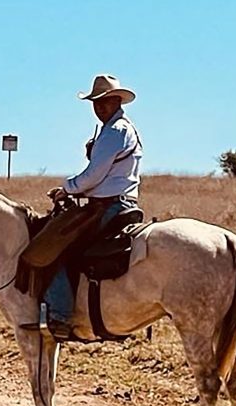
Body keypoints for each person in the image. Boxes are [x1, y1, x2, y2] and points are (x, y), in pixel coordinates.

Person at [43, 74, 143, 340]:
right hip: (119, 202)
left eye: (105, 101)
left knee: (55, 249)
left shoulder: (115, 131)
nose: (100, 107)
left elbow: (95, 174)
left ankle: (60, 316)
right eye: (96, 102)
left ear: (117, 101)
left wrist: (68, 188)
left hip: (110, 205)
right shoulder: (116, 129)